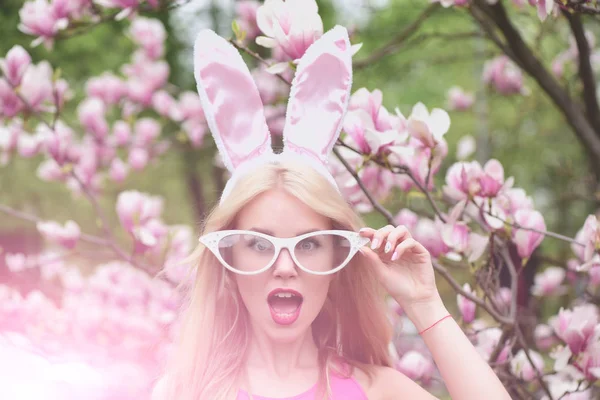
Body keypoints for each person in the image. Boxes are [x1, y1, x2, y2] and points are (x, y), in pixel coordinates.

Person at [153, 25, 512, 400]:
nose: (285, 266)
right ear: (227, 261)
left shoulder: (378, 391)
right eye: (259, 245)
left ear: (337, 262)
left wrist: (424, 305)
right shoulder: (183, 393)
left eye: (309, 245)